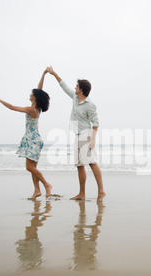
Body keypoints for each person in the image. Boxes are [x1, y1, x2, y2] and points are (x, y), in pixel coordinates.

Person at [47, 66, 106, 202]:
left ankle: (101, 191)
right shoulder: (74, 97)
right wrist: (54, 73)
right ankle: (81, 194)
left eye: (77, 86)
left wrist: (93, 140)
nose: (74, 88)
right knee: (79, 165)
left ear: (81, 90)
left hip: (86, 135)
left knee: (92, 162)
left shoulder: (90, 105)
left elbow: (95, 123)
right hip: (77, 134)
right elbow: (64, 86)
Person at [0, 69, 52, 199]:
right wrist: (43, 74)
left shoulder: (31, 109)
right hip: (36, 139)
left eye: (32, 94)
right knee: (33, 167)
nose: (30, 94)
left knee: (29, 167)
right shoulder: (37, 108)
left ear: (34, 97)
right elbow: (39, 89)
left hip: (32, 140)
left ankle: (47, 185)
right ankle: (37, 190)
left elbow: (12, 107)